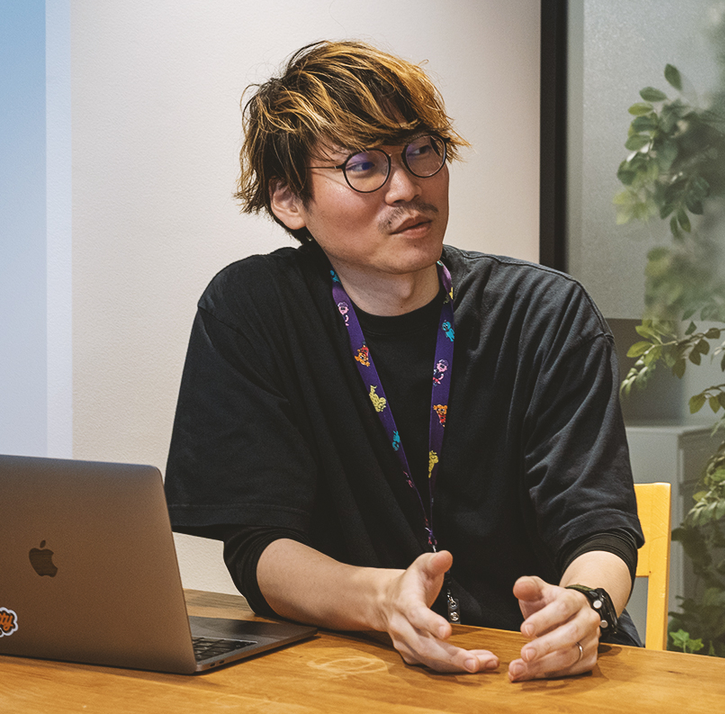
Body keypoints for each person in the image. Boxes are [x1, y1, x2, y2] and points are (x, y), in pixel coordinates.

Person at [164, 40, 643, 680]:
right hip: (356, 667)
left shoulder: (543, 313)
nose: (407, 187)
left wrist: (586, 605)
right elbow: (258, 544)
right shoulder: (252, 311)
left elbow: (599, 524)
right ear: (289, 200)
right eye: (363, 165)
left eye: (421, 152)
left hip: (534, 663)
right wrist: (382, 600)